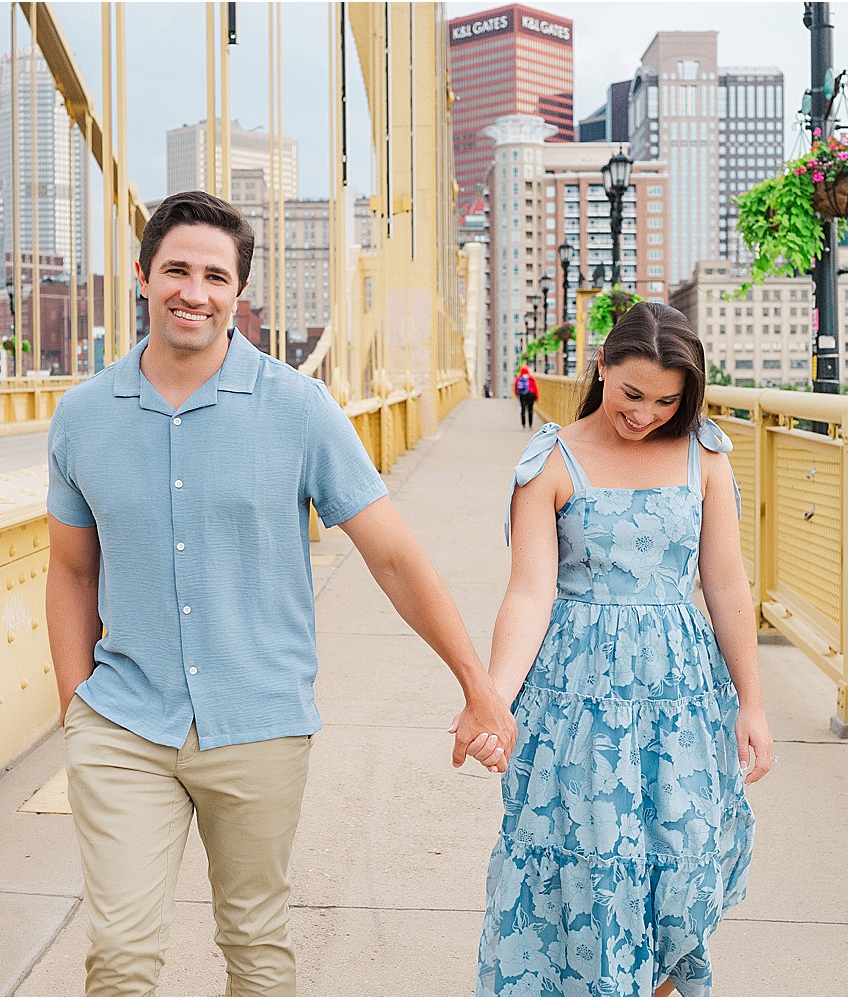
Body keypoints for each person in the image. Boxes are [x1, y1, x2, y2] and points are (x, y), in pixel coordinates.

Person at [46, 190, 513, 997]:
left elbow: (395, 558)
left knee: (255, 942)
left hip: (257, 722)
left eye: (215, 276)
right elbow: (71, 570)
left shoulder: (299, 408)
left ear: (238, 293)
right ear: (142, 276)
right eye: (177, 270)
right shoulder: (82, 416)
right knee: (118, 956)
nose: (194, 291)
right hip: (124, 720)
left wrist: (477, 683)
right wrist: (73, 703)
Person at [472, 301, 772, 996]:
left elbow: (725, 581)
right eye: (631, 393)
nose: (645, 414)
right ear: (601, 365)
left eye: (667, 400)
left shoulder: (705, 454)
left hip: (680, 692)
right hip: (576, 695)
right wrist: (492, 699)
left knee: (679, 862)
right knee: (587, 864)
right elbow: (529, 593)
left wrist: (751, 703)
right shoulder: (551, 458)